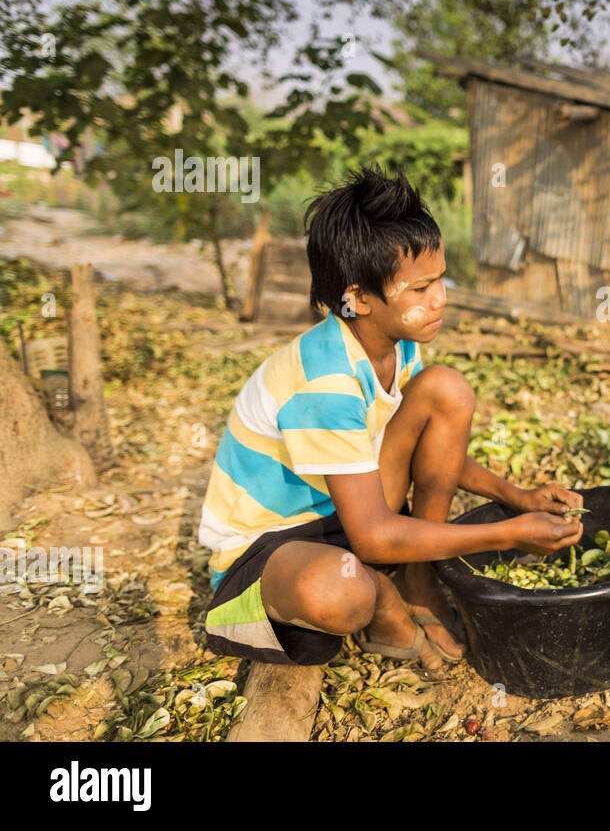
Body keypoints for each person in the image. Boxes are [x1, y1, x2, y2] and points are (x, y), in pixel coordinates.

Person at [199, 165, 584, 669]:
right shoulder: (325, 383)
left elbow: (428, 455)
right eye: (420, 289)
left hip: (347, 514)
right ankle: (383, 592)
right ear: (357, 298)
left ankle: (418, 578)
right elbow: (372, 536)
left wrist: (516, 497)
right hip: (269, 549)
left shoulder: (395, 348)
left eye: (441, 279)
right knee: (341, 591)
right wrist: (509, 532)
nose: (440, 298)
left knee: (445, 389)